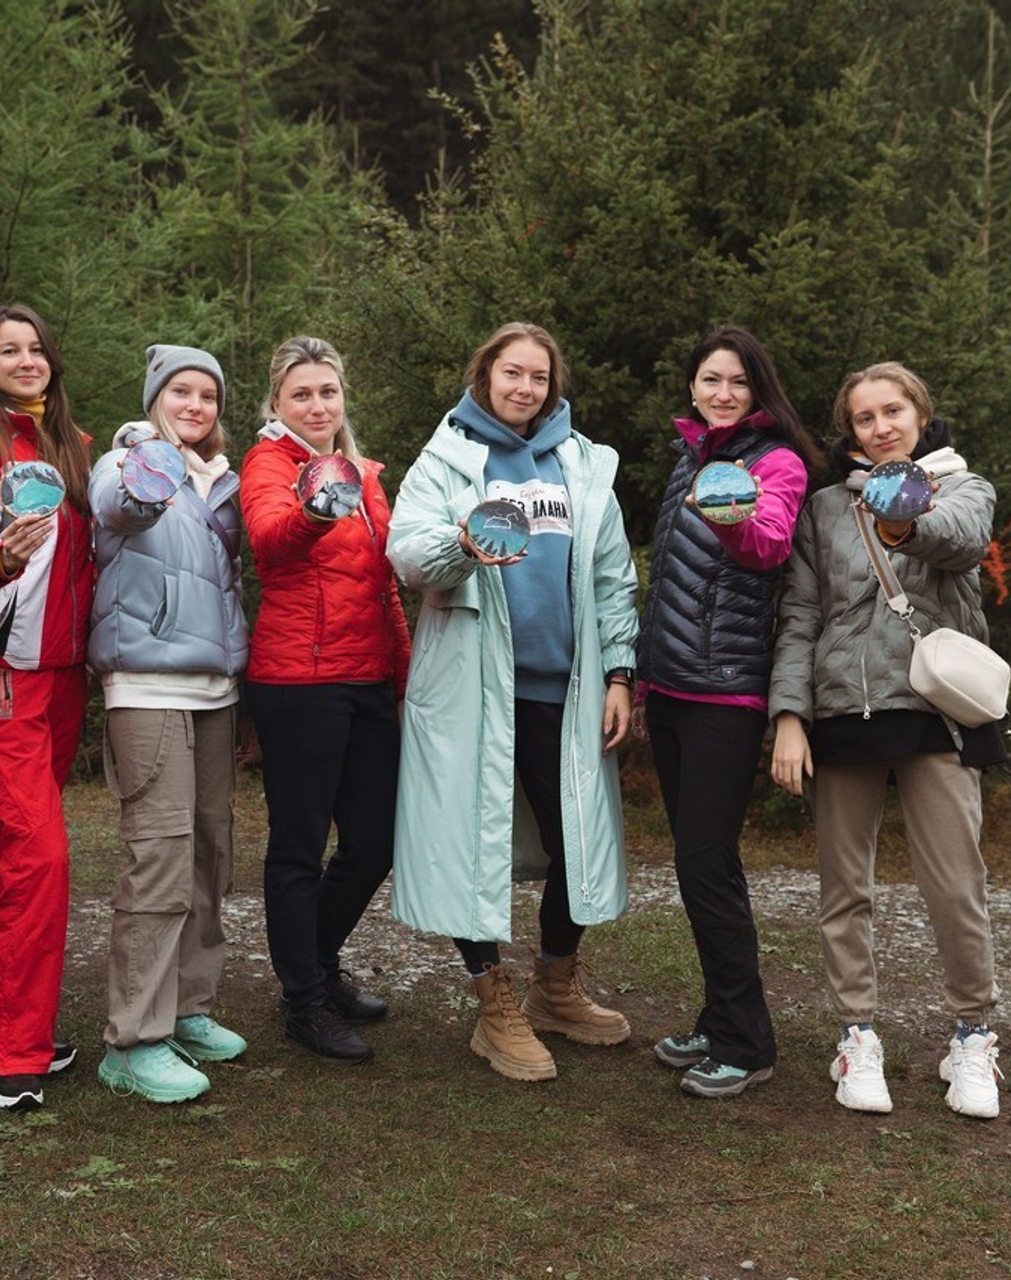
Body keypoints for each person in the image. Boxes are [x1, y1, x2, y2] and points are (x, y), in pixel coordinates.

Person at [388, 321, 640, 1083]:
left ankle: (555, 984)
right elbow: (405, 553)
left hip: (563, 688)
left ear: (551, 386)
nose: (526, 388)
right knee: (470, 843)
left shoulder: (584, 463)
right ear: (485, 375)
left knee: (578, 844)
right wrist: (462, 545)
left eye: (539, 377)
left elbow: (611, 574)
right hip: (471, 686)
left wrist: (620, 673)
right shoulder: (447, 457)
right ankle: (493, 1004)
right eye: (512, 373)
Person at [770, 362, 1004, 1119]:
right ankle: (857, 1034)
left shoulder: (961, 486)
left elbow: (962, 543)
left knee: (955, 886)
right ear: (852, 430)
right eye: (864, 417)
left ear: (918, 412)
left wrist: (903, 519)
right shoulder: (824, 509)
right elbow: (802, 615)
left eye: (892, 410)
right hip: (843, 710)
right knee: (846, 890)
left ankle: (972, 1037)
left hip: (936, 712)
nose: (880, 425)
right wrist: (789, 717)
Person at [638, 324, 822, 1098]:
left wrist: (736, 516)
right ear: (692, 386)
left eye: (738, 382)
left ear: (759, 391)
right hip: (673, 690)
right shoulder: (691, 460)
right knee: (701, 864)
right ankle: (719, 1020)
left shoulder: (772, 462)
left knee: (705, 866)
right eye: (711, 379)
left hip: (726, 693)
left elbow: (769, 546)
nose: (723, 393)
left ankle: (747, 1044)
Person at [241, 335, 411, 1063]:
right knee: (300, 848)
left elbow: (385, 584)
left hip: (369, 677)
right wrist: (315, 511)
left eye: (328, 392)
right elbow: (270, 539)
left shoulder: (367, 474)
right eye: (302, 394)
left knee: (375, 842)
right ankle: (305, 1000)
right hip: (298, 682)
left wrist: (404, 673)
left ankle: (311, 961)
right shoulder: (269, 464)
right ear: (277, 403)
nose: (318, 405)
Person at [89, 344, 250, 1104]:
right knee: (159, 855)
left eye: (208, 395)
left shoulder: (223, 485)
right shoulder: (127, 462)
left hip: (214, 689)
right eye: (180, 391)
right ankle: (132, 1040)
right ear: (156, 397)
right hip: (146, 684)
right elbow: (118, 510)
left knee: (210, 851)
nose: (195, 405)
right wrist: (151, 471)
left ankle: (187, 1008)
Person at [0, 303, 93, 1111]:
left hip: (64, 674)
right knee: (43, 855)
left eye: (36, 348)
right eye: (10, 350)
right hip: (3, 670)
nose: (26, 359)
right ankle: (18, 1056)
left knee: (4, 845)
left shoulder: (71, 445)